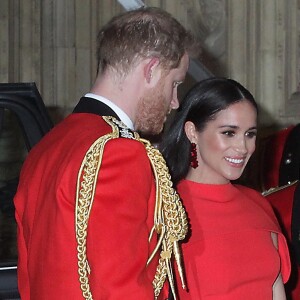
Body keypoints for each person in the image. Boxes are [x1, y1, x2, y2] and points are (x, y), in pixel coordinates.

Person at [13, 7, 199, 300]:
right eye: (174, 83)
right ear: (151, 69)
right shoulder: (119, 153)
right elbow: (121, 289)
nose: (175, 102)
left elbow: (29, 279)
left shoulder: (47, 148)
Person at [160, 78, 291, 299]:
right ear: (192, 132)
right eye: (229, 132)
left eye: (250, 134)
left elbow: (276, 291)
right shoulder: (167, 210)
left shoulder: (259, 204)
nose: (243, 147)